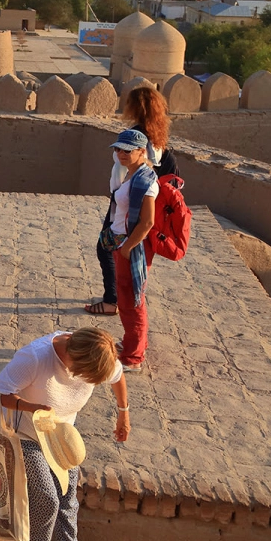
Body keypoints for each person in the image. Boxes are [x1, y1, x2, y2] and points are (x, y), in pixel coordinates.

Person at [0, 327, 130, 541]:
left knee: (67, 499)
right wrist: (29, 407)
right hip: (26, 436)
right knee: (46, 500)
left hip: (61, 436)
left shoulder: (100, 355)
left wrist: (123, 414)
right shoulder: (35, 358)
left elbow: (117, 377)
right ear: (76, 360)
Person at [86, 85, 176, 316]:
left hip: (126, 202)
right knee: (133, 252)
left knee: (106, 246)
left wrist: (117, 195)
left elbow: (120, 171)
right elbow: (172, 174)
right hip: (146, 204)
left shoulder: (136, 136)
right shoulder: (159, 136)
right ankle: (126, 297)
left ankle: (112, 301)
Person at [106, 129, 158, 372]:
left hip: (132, 247)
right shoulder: (133, 174)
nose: (121, 154)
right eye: (118, 149)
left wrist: (127, 248)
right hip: (123, 242)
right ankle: (132, 344)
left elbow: (147, 222)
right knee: (129, 298)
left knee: (131, 301)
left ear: (141, 151)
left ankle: (133, 357)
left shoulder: (146, 181)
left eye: (127, 150)